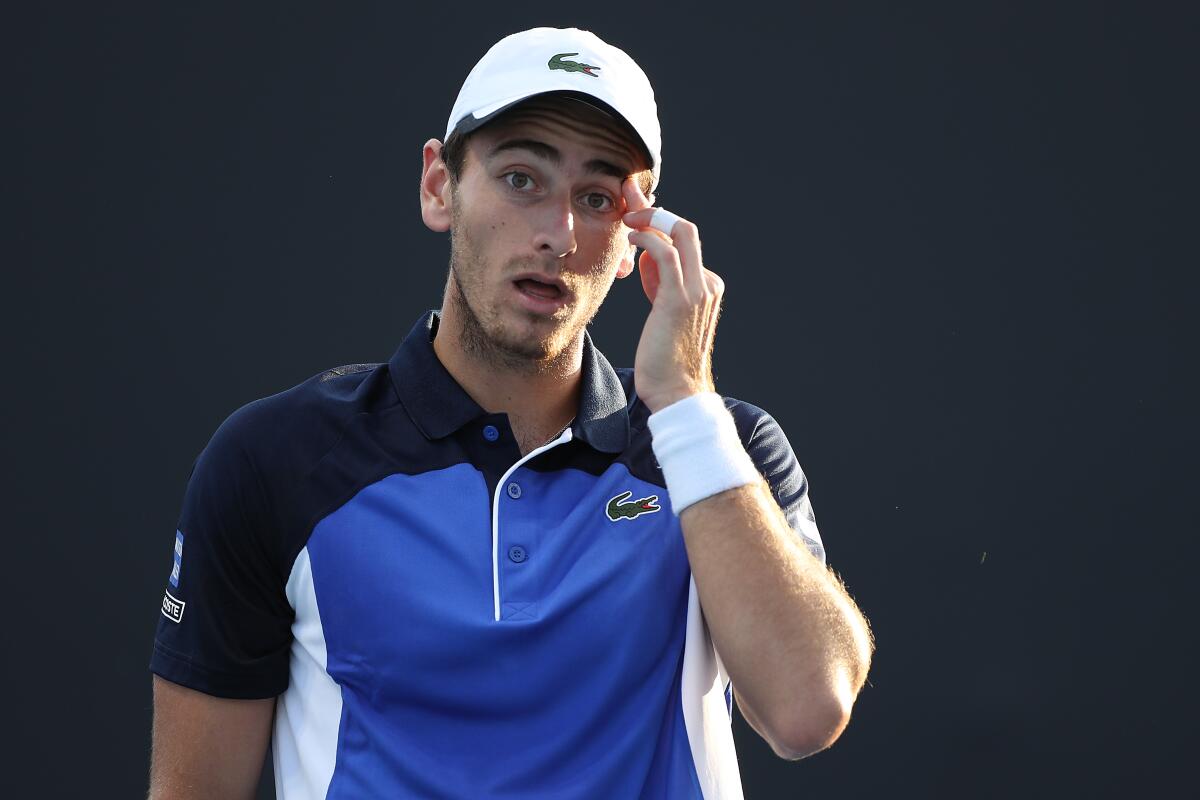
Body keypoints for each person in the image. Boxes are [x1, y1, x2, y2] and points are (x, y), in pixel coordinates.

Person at [148, 26, 873, 800]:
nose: (558, 233)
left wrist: (686, 400)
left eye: (596, 198)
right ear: (439, 186)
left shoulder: (717, 447)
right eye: (521, 178)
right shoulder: (274, 459)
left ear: (637, 241)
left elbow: (808, 711)